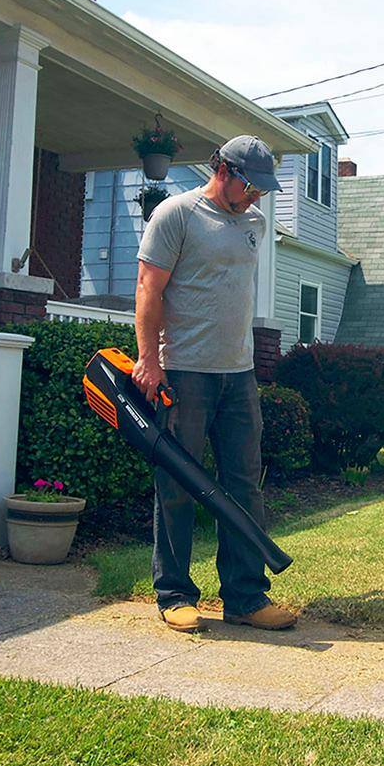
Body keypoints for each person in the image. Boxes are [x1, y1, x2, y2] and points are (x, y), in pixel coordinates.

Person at [132, 134, 296, 633]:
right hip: (183, 370)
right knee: (180, 483)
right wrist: (148, 359)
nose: (257, 196)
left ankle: (245, 597)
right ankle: (175, 594)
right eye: (252, 185)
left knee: (244, 484)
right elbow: (148, 288)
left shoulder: (255, 222)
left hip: (238, 374)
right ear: (223, 170)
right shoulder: (176, 215)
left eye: (263, 190)